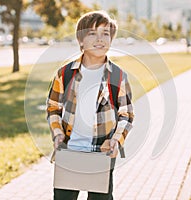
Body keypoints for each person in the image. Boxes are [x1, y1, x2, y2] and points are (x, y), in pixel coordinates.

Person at [46, 10, 134, 200]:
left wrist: (116, 140)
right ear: (81, 41)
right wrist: (58, 134)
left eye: (105, 33)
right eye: (92, 33)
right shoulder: (65, 74)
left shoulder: (118, 76)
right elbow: (53, 107)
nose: (100, 39)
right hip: (69, 152)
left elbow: (126, 115)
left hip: (101, 155)